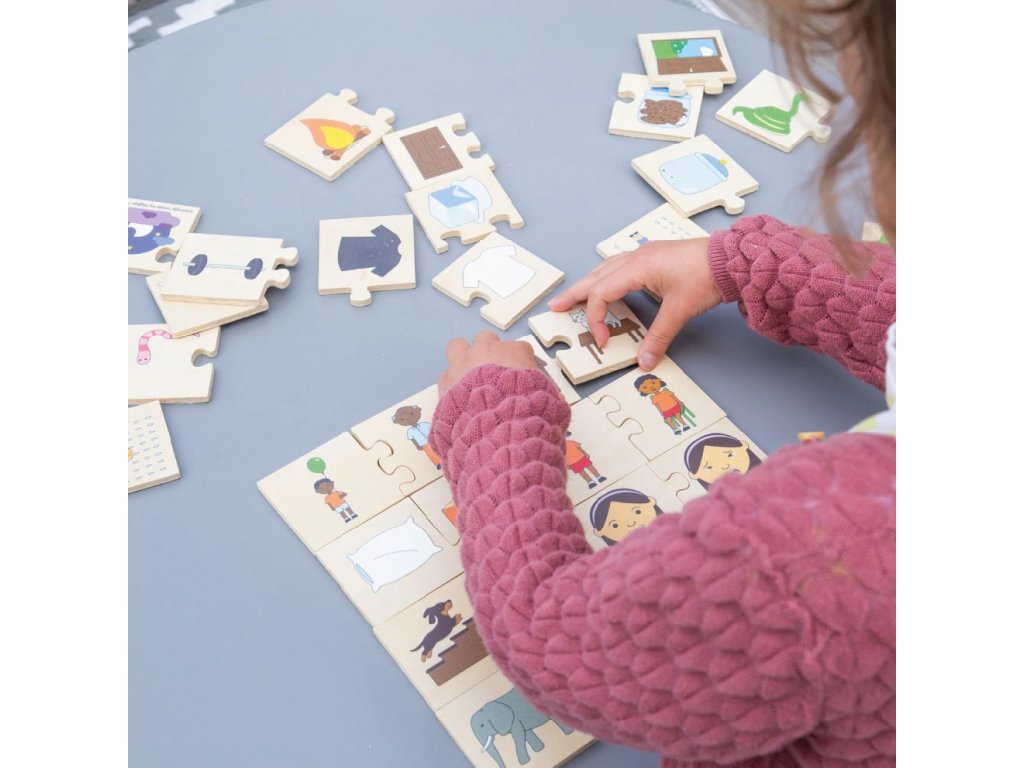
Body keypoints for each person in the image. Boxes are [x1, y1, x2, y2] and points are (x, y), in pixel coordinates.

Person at [429, 1, 895, 765]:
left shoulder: (820, 548)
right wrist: (747, 265)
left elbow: (562, 652)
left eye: (861, 111)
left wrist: (494, 425)